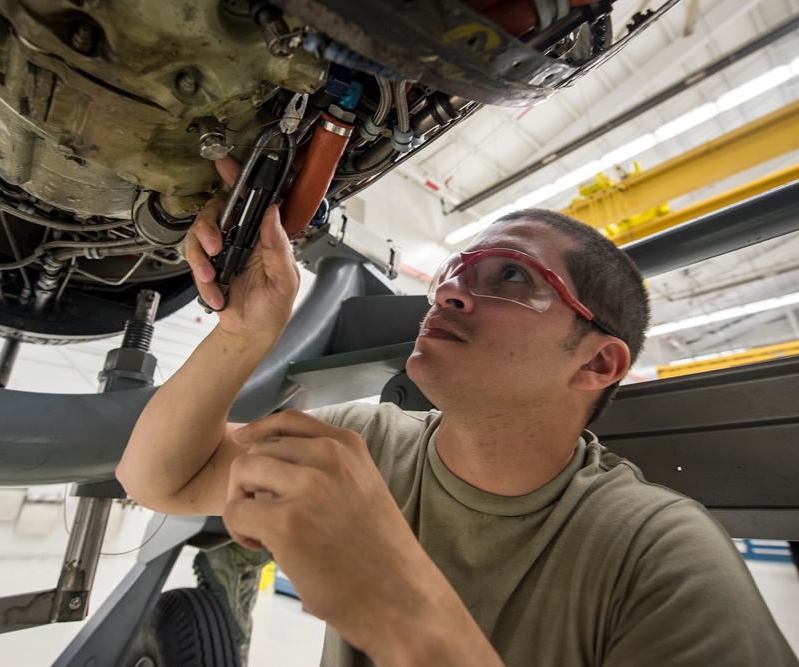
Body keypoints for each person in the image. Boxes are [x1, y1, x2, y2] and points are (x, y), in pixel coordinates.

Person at [118, 159, 797, 666]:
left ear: (596, 364)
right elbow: (161, 479)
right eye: (453, 272)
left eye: (511, 276)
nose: (449, 294)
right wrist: (243, 333)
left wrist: (400, 603)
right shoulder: (369, 440)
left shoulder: (661, 557)